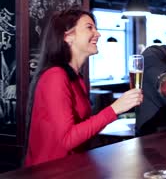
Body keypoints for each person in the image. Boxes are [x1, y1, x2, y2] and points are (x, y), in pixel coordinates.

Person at [24, 9, 143, 166]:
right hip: (50, 172)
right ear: (68, 37)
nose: (98, 33)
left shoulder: (76, 78)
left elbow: (82, 130)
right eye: (89, 27)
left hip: (73, 168)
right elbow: (67, 140)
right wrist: (114, 109)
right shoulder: (55, 76)